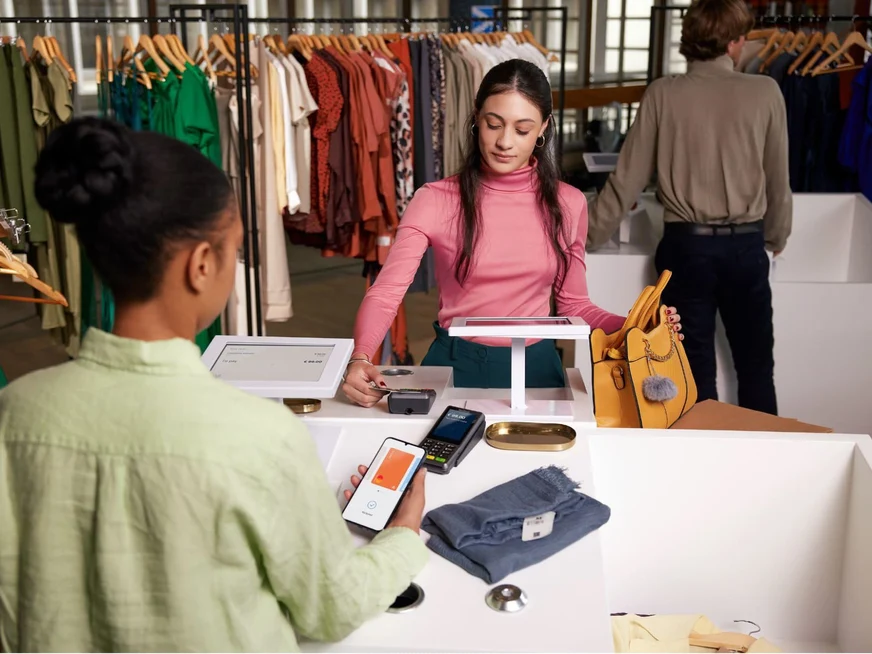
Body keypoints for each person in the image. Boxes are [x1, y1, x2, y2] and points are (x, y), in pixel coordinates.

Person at [0, 118, 428, 652]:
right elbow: (331, 608)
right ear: (202, 264)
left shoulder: (15, 410)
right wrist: (403, 536)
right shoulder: (259, 435)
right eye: (233, 249)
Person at [343, 59, 683, 407]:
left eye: (522, 130)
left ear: (543, 129)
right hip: (454, 365)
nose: (505, 142)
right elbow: (386, 293)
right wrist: (360, 357)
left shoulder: (568, 203)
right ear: (477, 118)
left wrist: (636, 325)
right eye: (494, 125)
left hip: (537, 367)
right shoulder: (434, 200)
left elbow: (574, 305)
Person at [586, 0, 791, 416]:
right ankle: (769, 464)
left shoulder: (663, 92)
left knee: (692, 370)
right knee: (756, 368)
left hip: (686, 250)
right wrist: (777, 236)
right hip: (745, 248)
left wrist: (587, 235)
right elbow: (778, 180)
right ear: (735, 42)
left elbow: (627, 179)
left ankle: (701, 468)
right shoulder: (766, 91)